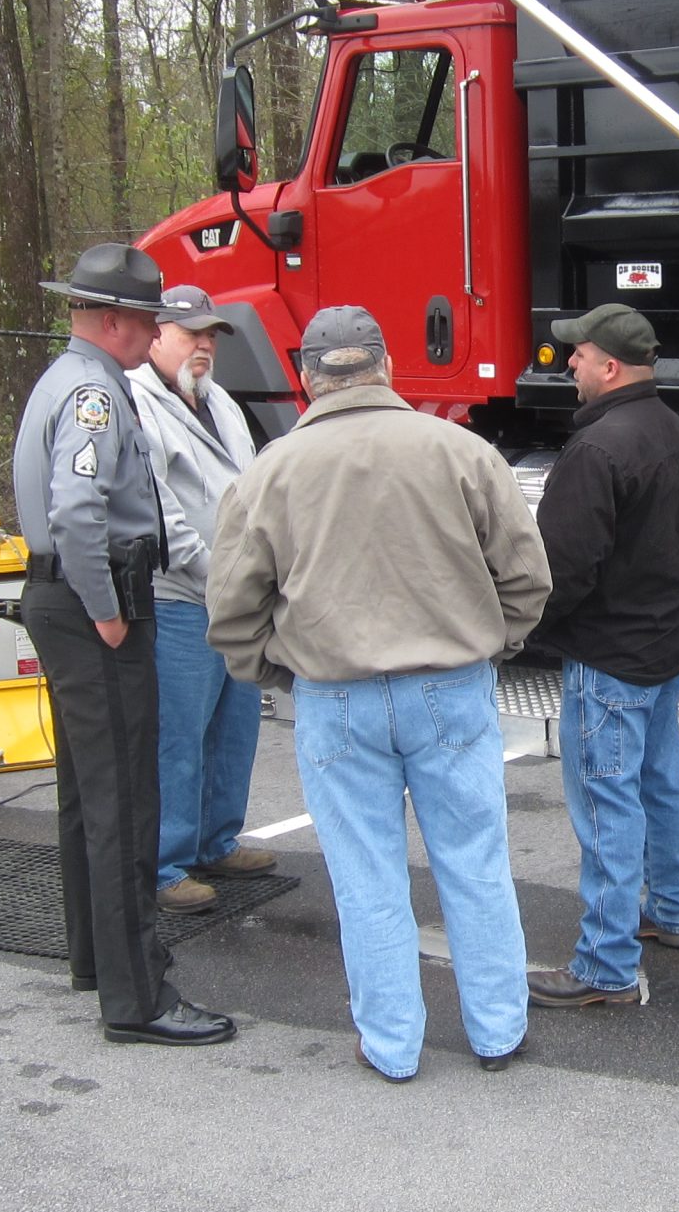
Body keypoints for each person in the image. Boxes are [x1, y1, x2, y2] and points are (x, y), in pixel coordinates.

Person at [207, 307, 551, 1079]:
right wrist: (493, 646)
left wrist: (281, 674)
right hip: (450, 688)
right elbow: (527, 576)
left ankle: (393, 1046)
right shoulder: (462, 452)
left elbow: (231, 610)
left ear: (307, 378)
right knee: (475, 862)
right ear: (387, 365)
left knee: (366, 877)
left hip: (334, 698)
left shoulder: (268, 473)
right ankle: (498, 1031)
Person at [14, 243, 236, 1048]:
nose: (154, 333)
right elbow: (78, 511)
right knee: (124, 804)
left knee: (87, 796)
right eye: (146, 319)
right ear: (113, 321)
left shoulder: (68, 380)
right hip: (95, 602)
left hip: (67, 596)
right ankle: (139, 995)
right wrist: (107, 610)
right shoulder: (95, 395)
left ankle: (96, 961)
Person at [524, 303, 679, 1010]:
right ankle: (676, 911)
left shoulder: (597, 448)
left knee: (607, 805)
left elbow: (562, 568)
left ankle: (605, 964)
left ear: (609, 365)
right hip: (664, 647)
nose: (568, 361)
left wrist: (522, 631)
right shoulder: (675, 430)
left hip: (609, 658)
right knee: (660, 784)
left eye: (577, 353)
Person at [126, 283, 271, 914]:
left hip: (236, 598)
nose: (205, 344)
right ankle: (165, 865)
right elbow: (161, 513)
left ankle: (217, 840)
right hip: (182, 599)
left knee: (235, 728)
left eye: (211, 334)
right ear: (156, 335)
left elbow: (254, 488)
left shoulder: (222, 403)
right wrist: (224, 575)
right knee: (178, 739)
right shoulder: (137, 402)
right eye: (192, 333)